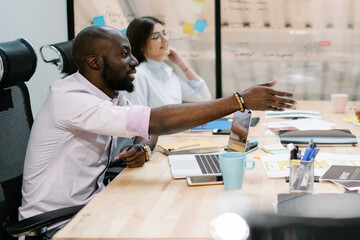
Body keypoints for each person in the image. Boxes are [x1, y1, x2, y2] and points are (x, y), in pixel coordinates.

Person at [19, 25, 295, 222]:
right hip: (58, 221)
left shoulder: (109, 95)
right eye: (124, 54)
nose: (135, 61)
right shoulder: (69, 98)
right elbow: (156, 120)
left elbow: (146, 128)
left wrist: (144, 147)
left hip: (94, 203)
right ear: (94, 61)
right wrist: (239, 100)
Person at [123, 16, 212, 107]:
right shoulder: (138, 77)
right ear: (141, 45)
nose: (165, 39)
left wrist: (182, 64)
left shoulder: (169, 75)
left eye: (164, 33)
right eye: (156, 36)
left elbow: (204, 97)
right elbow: (137, 118)